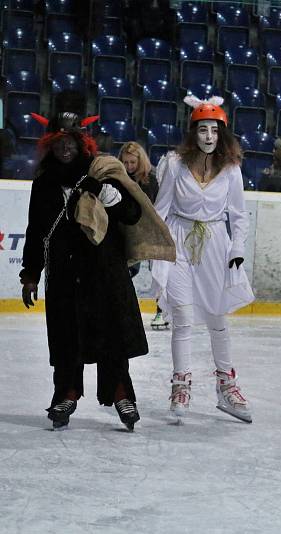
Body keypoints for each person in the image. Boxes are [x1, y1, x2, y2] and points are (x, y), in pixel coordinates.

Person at [20, 96, 171, 430]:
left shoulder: (103, 172)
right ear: (50, 144)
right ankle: (67, 393)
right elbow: (36, 230)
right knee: (66, 337)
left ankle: (121, 394)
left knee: (111, 336)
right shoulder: (45, 183)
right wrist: (30, 273)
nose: (65, 149)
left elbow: (132, 214)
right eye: (57, 142)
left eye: (70, 141)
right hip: (64, 273)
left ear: (82, 141)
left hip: (105, 271)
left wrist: (103, 192)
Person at [151, 96, 256, 423]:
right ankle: (180, 384)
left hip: (215, 245)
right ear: (193, 132)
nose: (209, 136)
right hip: (180, 242)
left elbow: (238, 215)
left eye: (214, 130)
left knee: (217, 318)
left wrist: (237, 247)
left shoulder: (231, 169)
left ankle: (226, 386)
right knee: (182, 317)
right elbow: (161, 209)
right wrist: (156, 248)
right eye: (203, 129)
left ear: (221, 133)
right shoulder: (174, 164)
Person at [118, 141, 169, 329]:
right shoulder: (120, 176)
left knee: (159, 273)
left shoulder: (152, 178)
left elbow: (159, 206)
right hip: (129, 230)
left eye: (132, 162)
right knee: (127, 270)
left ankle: (161, 311)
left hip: (152, 230)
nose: (129, 166)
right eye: (126, 162)